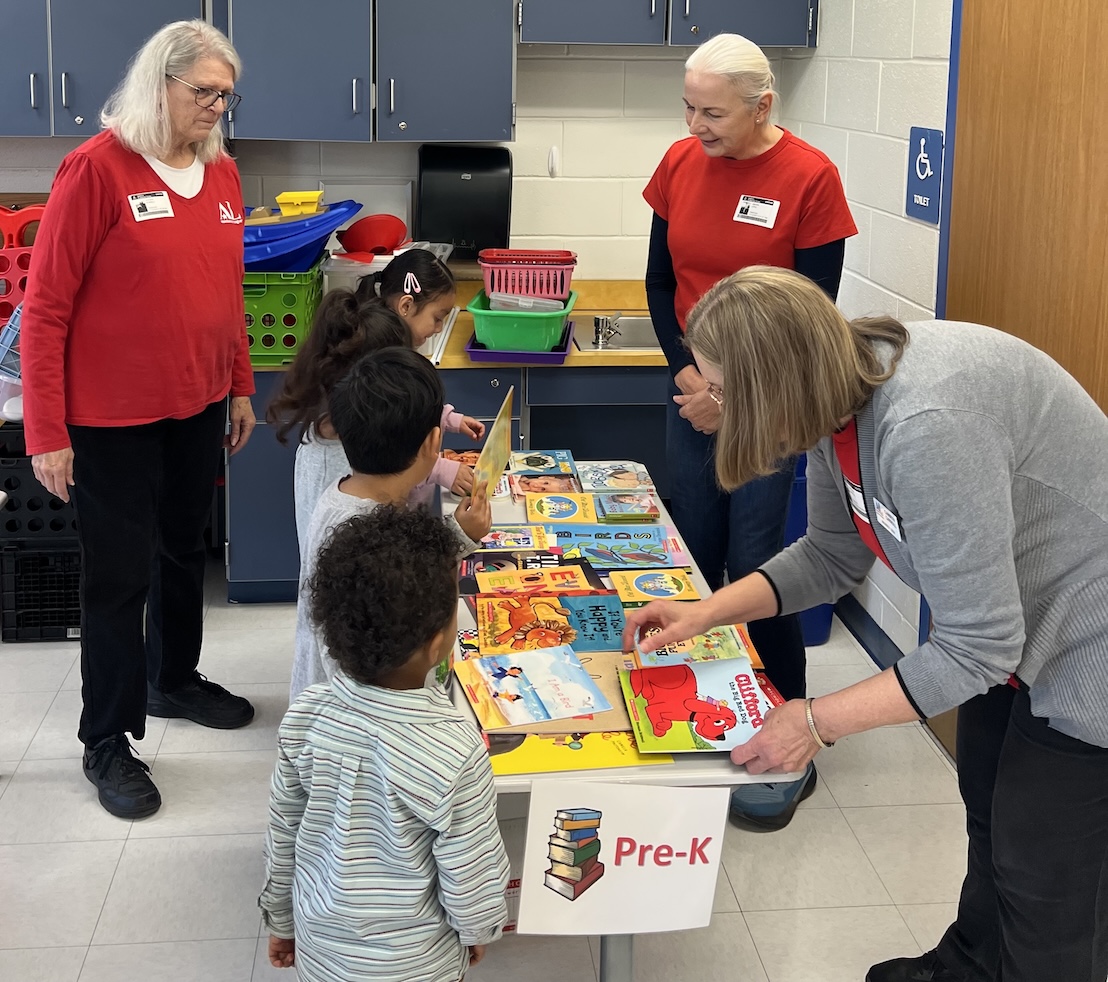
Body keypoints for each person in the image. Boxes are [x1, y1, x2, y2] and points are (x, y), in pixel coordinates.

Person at [623, 266, 1108, 982]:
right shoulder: (833, 399)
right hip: (1013, 630)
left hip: (1086, 644)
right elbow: (828, 555)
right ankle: (969, 965)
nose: (711, 404)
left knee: (1046, 875)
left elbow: (975, 645)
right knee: (991, 821)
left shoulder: (925, 424)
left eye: (722, 389)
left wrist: (814, 722)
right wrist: (707, 611)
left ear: (773, 384)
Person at [19, 20, 255, 820]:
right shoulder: (96, 169)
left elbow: (228, 297)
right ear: (163, 84)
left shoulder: (221, 176)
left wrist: (240, 386)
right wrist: (46, 432)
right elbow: (45, 310)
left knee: (185, 550)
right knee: (118, 580)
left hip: (195, 406)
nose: (218, 109)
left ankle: (172, 679)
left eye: (227, 95)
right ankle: (106, 739)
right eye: (205, 93)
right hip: (109, 420)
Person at [642, 32, 857, 829]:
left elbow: (811, 322)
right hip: (695, 390)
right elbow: (661, 280)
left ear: (762, 105)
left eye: (713, 112)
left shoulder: (809, 178)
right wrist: (690, 375)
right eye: (689, 107)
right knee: (690, 561)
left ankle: (786, 732)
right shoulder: (678, 164)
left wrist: (738, 404)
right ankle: (702, 720)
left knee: (761, 570)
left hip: (771, 410)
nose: (696, 125)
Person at [260, 506, 510, 982]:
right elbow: (470, 870)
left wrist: (280, 917)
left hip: (322, 952)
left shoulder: (308, 715)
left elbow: (284, 832)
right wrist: (479, 930)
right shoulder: (456, 748)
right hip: (418, 963)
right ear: (439, 645)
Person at [290, 346, 491, 698]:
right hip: (360, 719)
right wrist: (458, 541)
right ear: (434, 442)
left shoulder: (344, 497)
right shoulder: (365, 530)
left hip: (334, 703)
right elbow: (404, 612)